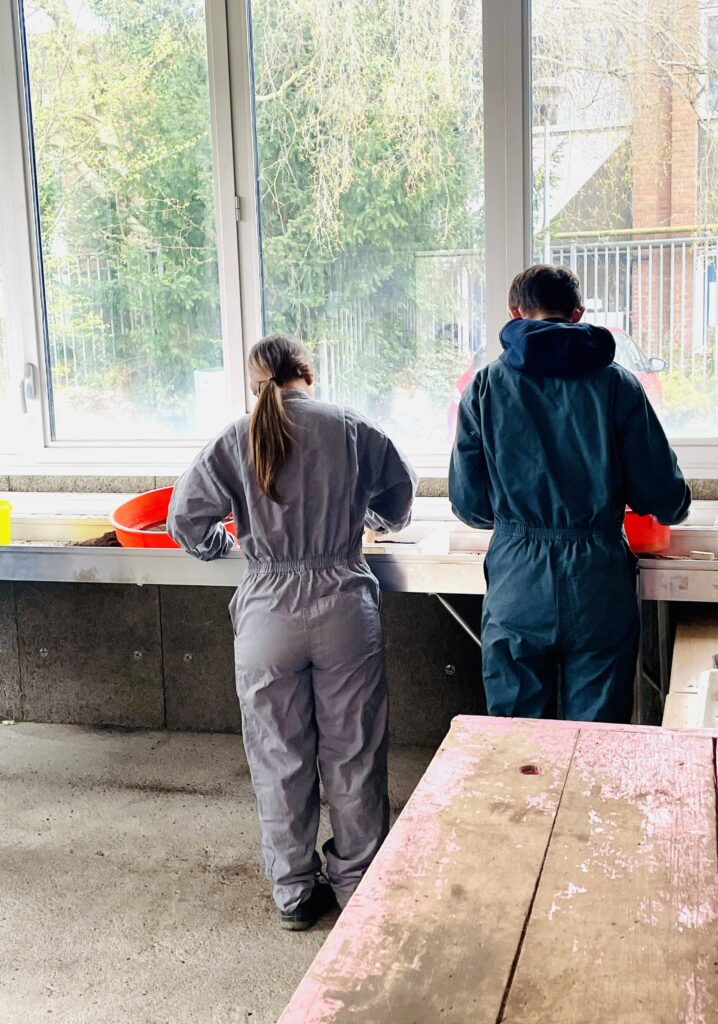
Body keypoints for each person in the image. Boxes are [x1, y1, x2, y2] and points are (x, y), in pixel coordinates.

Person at [168, 334, 417, 930]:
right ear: (308, 373)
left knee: (279, 756)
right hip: (343, 608)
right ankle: (358, 884)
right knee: (353, 751)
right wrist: (370, 523)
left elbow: (184, 519)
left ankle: (295, 893)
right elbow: (401, 499)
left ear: (256, 383)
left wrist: (218, 545)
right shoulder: (351, 426)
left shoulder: (237, 435)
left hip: (267, 611)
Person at [449, 264, 690, 723]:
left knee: (517, 744)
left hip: (517, 580)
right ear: (578, 314)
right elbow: (663, 496)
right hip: (598, 582)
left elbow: (469, 505)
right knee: (594, 745)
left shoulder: (484, 387)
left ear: (514, 311)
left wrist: (515, 517)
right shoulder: (618, 385)